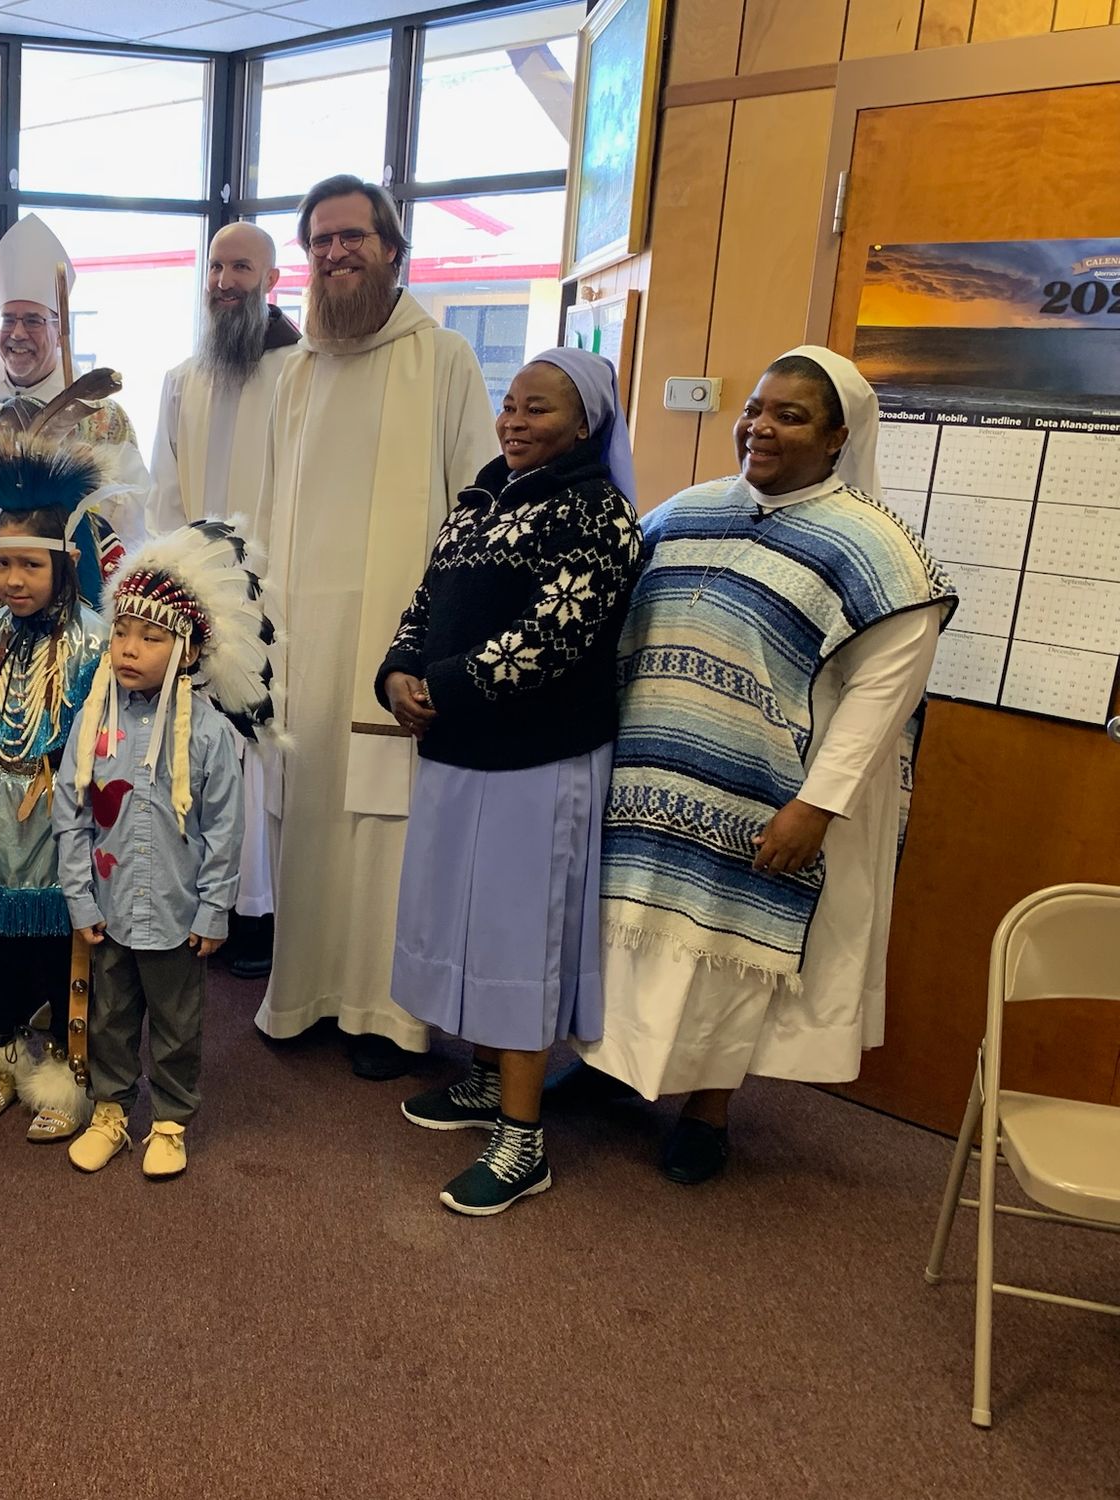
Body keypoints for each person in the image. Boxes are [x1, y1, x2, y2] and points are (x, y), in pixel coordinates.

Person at [579, 345, 957, 1184]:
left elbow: (881, 700)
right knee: (627, 938)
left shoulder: (881, 552)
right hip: (649, 778)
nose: (760, 426)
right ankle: (609, 1068)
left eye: (790, 414)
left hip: (764, 798)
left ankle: (707, 1112)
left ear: (837, 438)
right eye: (755, 408)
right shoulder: (684, 513)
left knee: (725, 956)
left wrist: (815, 808)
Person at [378, 350, 643, 1216]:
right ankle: (488, 1081)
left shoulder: (601, 514)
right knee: (462, 914)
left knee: (519, 933)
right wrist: (397, 672)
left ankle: (525, 1141)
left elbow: (555, 632)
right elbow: (427, 600)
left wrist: (439, 687)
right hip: (460, 748)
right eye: (509, 404)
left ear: (586, 424)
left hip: (542, 756)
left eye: (538, 409)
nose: (515, 422)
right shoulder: (484, 490)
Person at [251, 174, 497, 1080]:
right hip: (304, 642)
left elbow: (477, 505)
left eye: (351, 237)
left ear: (393, 249)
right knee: (304, 817)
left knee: (385, 830)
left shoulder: (442, 359)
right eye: (319, 241)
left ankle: (387, 1019)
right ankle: (302, 994)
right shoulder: (299, 370)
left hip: (400, 639)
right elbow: (272, 511)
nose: (334, 253)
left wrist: (445, 644)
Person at [57, 520, 274, 1180]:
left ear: (186, 646)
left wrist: (214, 912)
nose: (129, 647)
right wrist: (78, 897)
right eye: (122, 631)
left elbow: (223, 829)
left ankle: (173, 1119)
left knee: (178, 1025)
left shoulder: (205, 734)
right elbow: (71, 814)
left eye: (151, 637)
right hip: (110, 905)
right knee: (110, 1017)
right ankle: (112, 1110)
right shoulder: (94, 720)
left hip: (177, 917)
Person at [148, 221, 302, 981]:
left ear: (271, 279)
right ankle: (204, 901)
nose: (224, 280)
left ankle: (260, 914)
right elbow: (164, 489)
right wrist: (174, 580)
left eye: (241, 266)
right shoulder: (184, 377)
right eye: (215, 266)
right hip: (200, 592)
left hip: (276, 589)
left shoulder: (302, 371)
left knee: (261, 755)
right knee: (204, 752)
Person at [0, 427, 110, 1143]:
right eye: (2, 563)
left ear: (65, 566)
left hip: (60, 810)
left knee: (60, 944)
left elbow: (103, 747)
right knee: (0, 941)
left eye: (28, 566)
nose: (12, 580)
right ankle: (2, 1053)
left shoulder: (94, 641)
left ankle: (67, 1068)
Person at [0, 214, 153, 692]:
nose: (18, 333)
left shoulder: (101, 416)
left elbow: (132, 518)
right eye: (8, 318)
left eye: (34, 320)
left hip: (74, 604)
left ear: (59, 327)